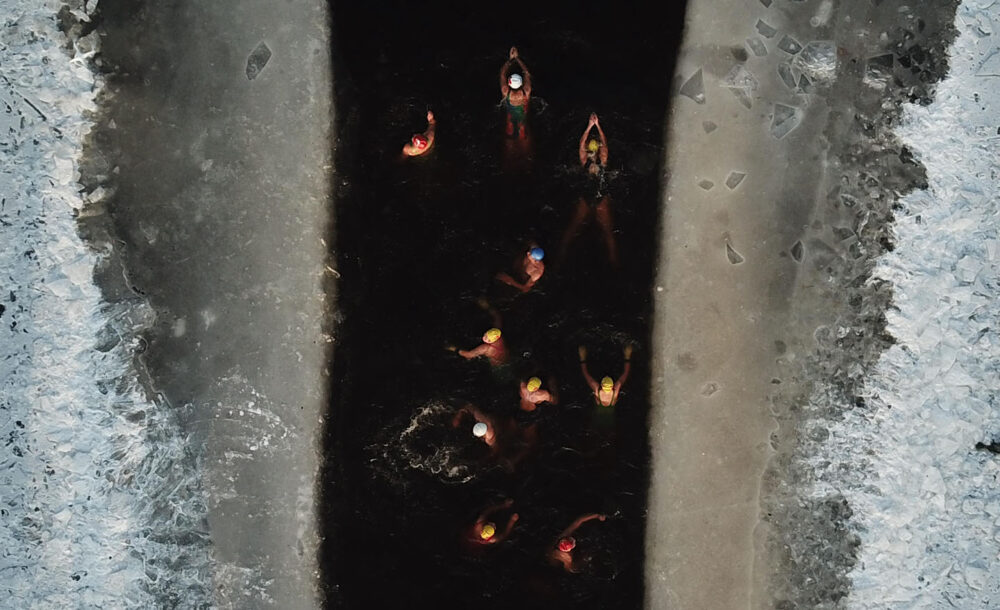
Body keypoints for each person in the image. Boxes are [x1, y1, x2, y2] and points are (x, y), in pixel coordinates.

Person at [559, 113, 619, 267]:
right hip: (594, 197)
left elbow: (603, 145)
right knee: (576, 228)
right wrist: (591, 126)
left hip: (593, 197)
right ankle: (563, 254)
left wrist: (595, 125)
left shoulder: (599, 161)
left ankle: (613, 261)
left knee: (606, 232)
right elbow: (582, 144)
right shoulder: (588, 161)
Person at [447, 299, 508, 366]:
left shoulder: (486, 348)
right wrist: (487, 306)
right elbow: (497, 315)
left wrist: (453, 349)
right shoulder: (498, 332)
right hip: (505, 356)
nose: (484, 337)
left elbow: (469, 355)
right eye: (486, 335)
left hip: (497, 365)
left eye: (487, 339)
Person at [499, 46, 532, 139]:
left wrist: (510, 60)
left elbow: (502, 73)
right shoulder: (526, 91)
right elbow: (526, 73)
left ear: (509, 83)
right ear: (521, 83)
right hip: (524, 127)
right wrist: (518, 59)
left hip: (509, 126)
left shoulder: (506, 92)